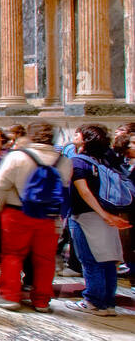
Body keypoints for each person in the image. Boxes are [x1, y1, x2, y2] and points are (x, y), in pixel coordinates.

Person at [0, 121, 71, 312]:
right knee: (45, 259)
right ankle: (42, 300)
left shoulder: (17, 156)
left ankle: (10, 296)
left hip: (17, 211)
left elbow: (0, 185)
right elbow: (64, 188)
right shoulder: (64, 160)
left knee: (12, 255)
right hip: (49, 215)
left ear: (30, 136)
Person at [65, 124, 130, 317]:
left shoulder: (77, 161)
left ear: (85, 139)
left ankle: (93, 301)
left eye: (77, 133)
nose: (74, 136)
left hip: (87, 215)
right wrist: (108, 215)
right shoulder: (106, 159)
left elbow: (84, 192)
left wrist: (103, 214)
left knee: (90, 259)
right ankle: (108, 302)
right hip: (109, 214)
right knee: (108, 260)